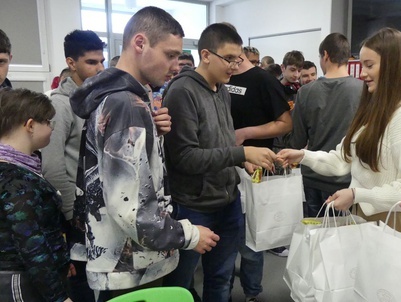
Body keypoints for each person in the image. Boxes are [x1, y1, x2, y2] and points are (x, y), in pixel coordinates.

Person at [69, 6, 219, 299]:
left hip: (118, 257)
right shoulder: (126, 104)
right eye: (170, 54)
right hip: (130, 265)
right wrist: (189, 235)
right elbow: (132, 210)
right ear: (140, 43)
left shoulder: (123, 98)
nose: (176, 65)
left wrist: (152, 135)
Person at [278, 27, 401, 236]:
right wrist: (303, 155)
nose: (362, 74)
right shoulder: (372, 109)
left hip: (391, 219)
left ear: (392, 66)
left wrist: (356, 194)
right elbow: (342, 159)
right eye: (361, 65)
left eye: (369, 65)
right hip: (363, 214)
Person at [161, 23, 276, 302]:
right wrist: (242, 154)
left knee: (221, 278)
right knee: (181, 283)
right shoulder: (182, 92)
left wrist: (240, 163)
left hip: (227, 202)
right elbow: (184, 157)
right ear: (206, 55)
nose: (234, 66)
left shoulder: (223, 90)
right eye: (228, 58)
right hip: (194, 206)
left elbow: (221, 142)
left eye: (238, 59)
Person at [40, 29, 106, 302]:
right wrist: (72, 215)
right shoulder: (60, 105)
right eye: (92, 62)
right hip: (74, 214)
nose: (100, 68)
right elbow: (52, 167)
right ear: (71, 62)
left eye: (102, 61)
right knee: (82, 285)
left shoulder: (97, 99)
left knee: (100, 279)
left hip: (97, 210)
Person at [227, 29, 292, 302]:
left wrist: (245, 135)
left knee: (252, 238)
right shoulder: (217, 80)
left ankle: (252, 293)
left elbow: (285, 123)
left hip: (255, 167)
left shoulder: (262, 80)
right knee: (225, 238)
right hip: (223, 164)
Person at [0, 88, 72, 302]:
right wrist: (59, 297)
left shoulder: (19, 169)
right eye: (48, 122)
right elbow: (31, 245)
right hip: (23, 282)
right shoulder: (16, 180)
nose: (51, 128)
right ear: (30, 125)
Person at [286, 32, 362, 218]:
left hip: (313, 176)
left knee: (315, 235)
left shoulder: (305, 92)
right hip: (349, 180)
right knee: (344, 238)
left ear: (325, 55)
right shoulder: (364, 90)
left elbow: (297, 141)